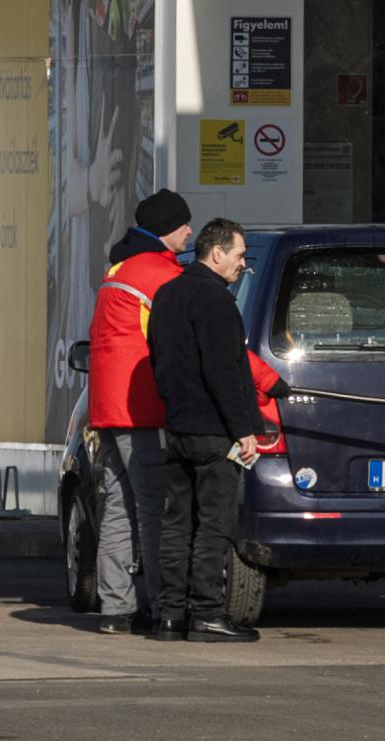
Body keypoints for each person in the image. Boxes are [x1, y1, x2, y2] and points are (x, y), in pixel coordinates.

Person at [146, 218, 261, 642]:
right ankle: (207, 615)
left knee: (177, 523)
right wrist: (243, 428)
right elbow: (224, 372)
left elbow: (157, 359)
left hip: (177, 427)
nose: (242, 264)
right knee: (214, 525)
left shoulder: (167, 294)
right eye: (239, 255)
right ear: (217, 254)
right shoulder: (216, 300)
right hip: (214, 432)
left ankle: (171, 617)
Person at [88, 189, 192, 634]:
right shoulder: (160, 274)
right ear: (168, 229)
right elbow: (180, 340)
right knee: (153, 509)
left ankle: (115, 609)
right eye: (185, 224)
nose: (190, 230)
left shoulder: (120, 269)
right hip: (142, 409)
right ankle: (159, 604)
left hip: (108, 410)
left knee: (117, 508)